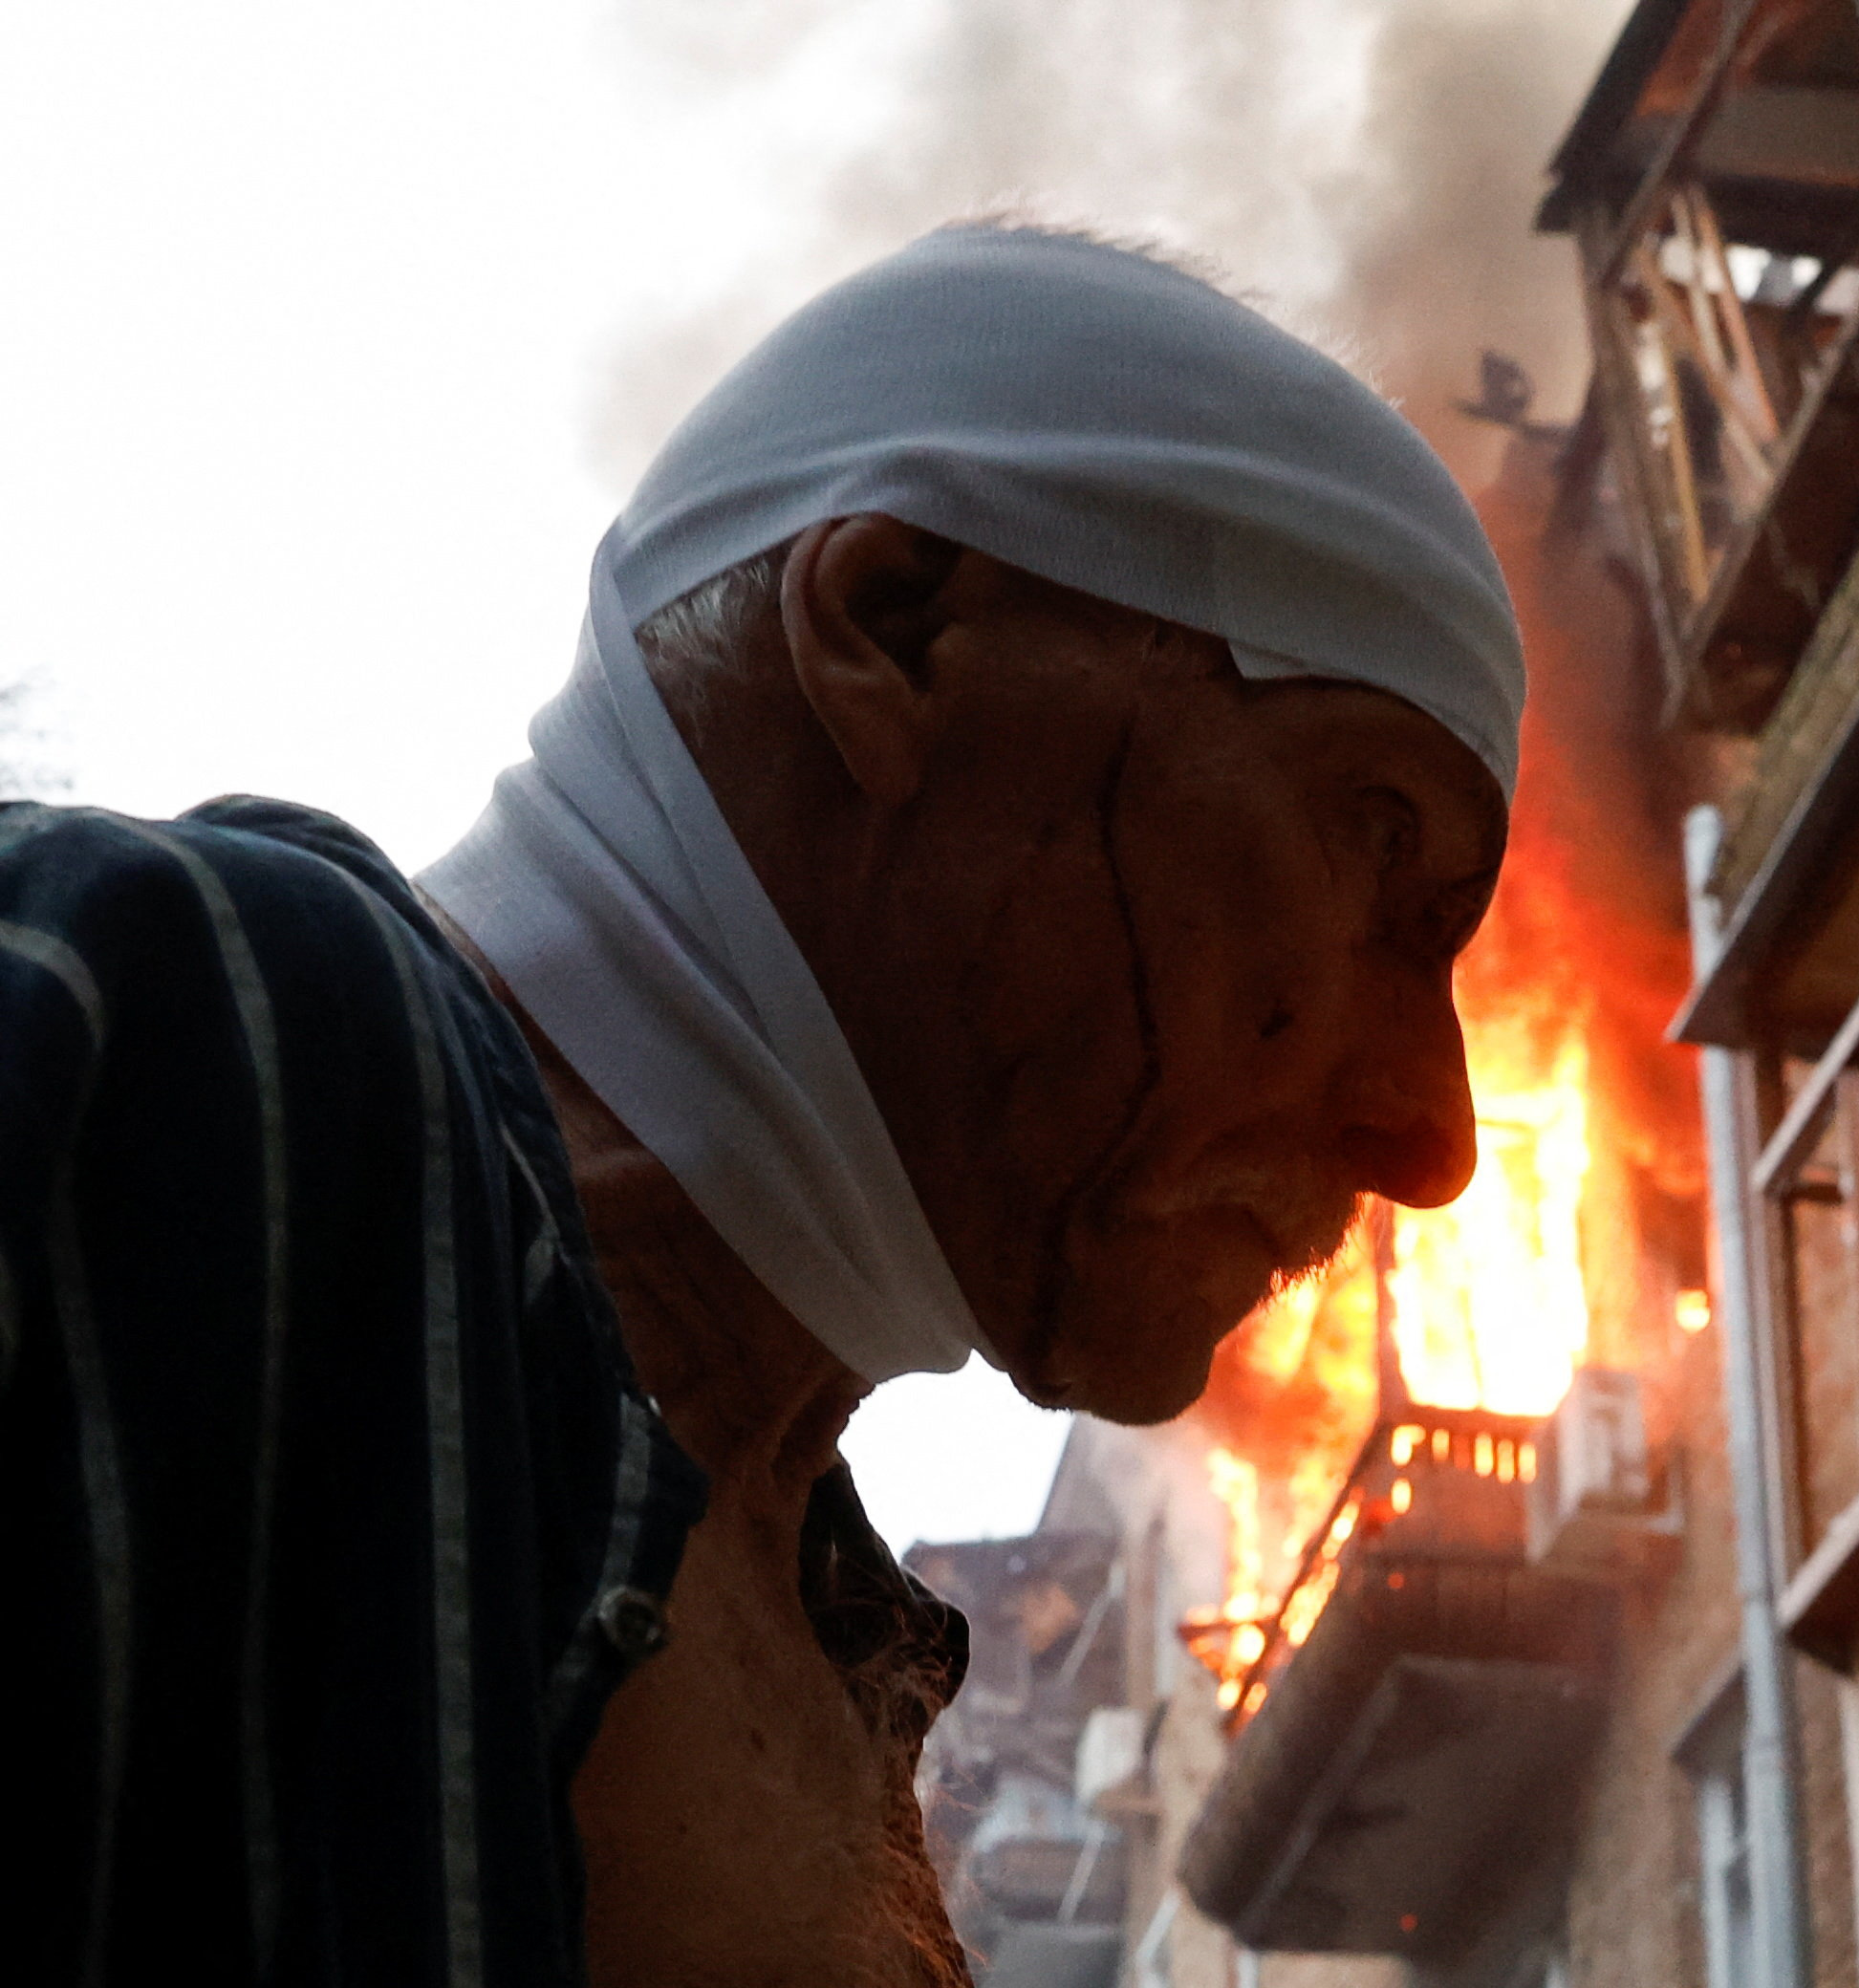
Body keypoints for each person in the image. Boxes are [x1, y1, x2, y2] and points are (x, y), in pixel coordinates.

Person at [4, 224, 1523, 1986]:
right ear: (892, 630)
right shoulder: (174, 1018)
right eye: (1374, 836)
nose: (1434, 1134)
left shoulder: (842, 1633)